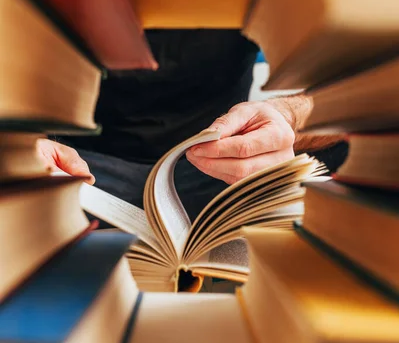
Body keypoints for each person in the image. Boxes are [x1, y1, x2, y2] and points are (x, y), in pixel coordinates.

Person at [38, 29, 347, 221]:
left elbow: (353, 88)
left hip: (218, 170)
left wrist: (289, 118)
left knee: (361, 140)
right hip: (82, 166)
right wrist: (24, 143)